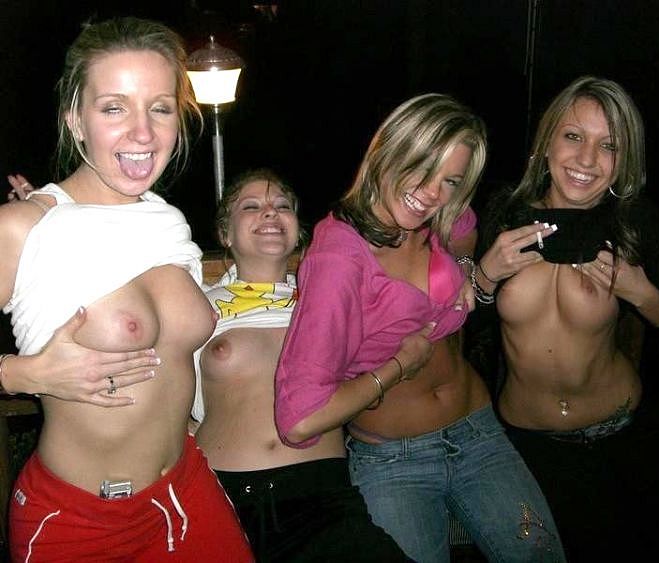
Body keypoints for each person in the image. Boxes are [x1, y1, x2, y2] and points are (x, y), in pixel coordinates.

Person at [0, 17, 252, 561]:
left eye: (160, 108)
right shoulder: (23, 228)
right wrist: (21, 374)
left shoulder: (164, 222)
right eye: (114, 108)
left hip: (185, 488)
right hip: (79, 520)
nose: (143, 133)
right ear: (75, 119)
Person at [274, 93, 565, 563]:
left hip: (479, 432)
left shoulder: (436, 217)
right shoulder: (337, 259)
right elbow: (300, 418)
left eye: (449, 180)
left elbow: (464, 230)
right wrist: (397, 367)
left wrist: (475, 274)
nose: (432, 193)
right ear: (389, 149)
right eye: (422, 168)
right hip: (394, 461)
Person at [469, 76, 659, 562]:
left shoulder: (633, 220)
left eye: (608, 145)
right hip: (525, 443)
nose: (587, 159)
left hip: (620, 433)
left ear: (623, 158)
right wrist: (485, 275)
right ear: (547, 142)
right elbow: (466, 325)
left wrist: (640, 291)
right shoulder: (505, 212)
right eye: (573, 136)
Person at [192, 168, 418, 562]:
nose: (270, 212)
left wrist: (475, 279)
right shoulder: (197, 307)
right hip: (221, 498)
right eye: (251, 207)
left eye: (282, 206)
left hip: (320, 495)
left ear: (299, 230)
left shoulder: (329, 298)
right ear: (225, 233)